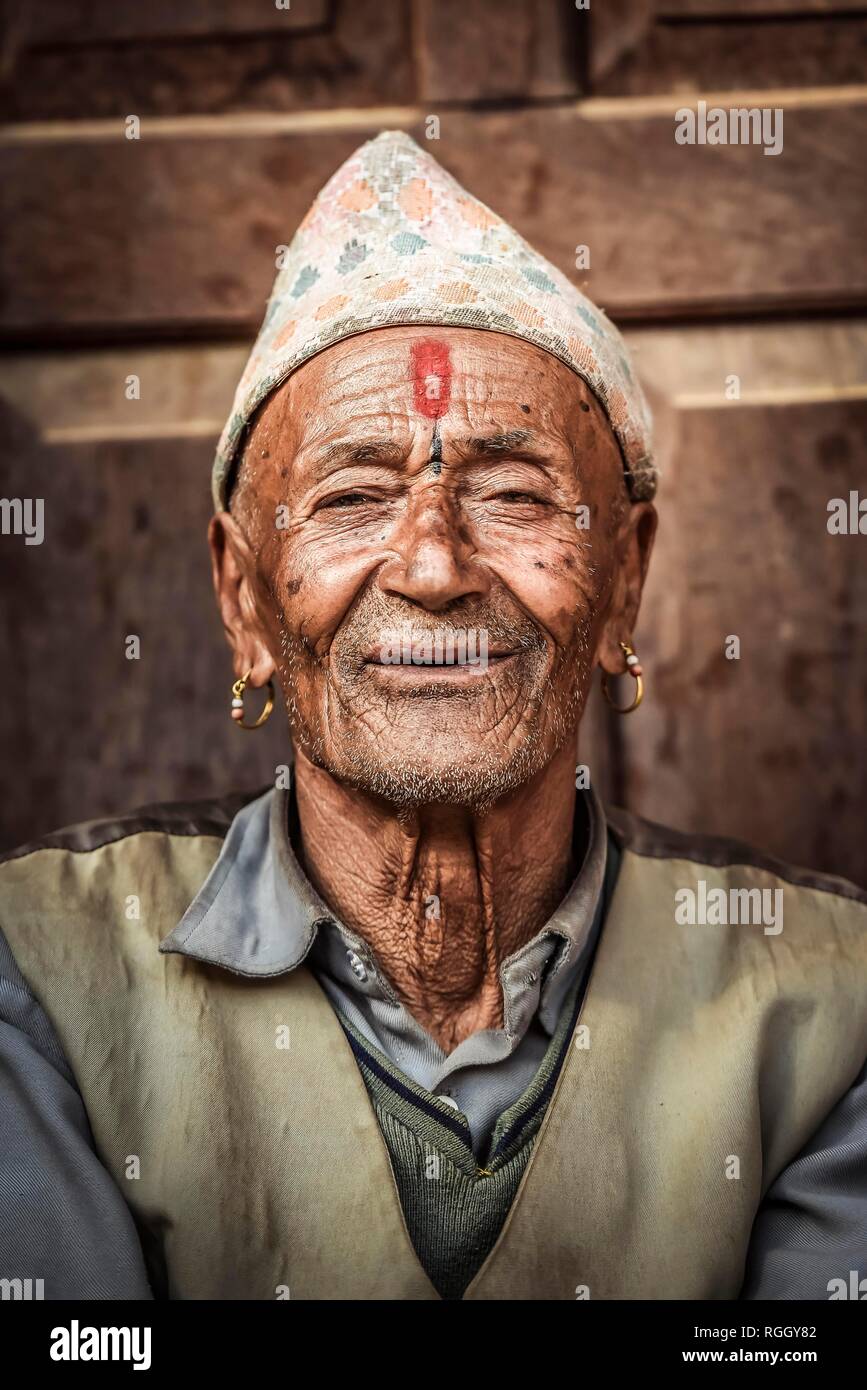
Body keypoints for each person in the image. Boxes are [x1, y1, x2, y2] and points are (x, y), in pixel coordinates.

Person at [1, 132, 865, 1302]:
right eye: (353, 496)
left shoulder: (830, 992)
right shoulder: (39, 965)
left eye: (513, 493)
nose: (433, 563)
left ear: (623, 582)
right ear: (242, 597)